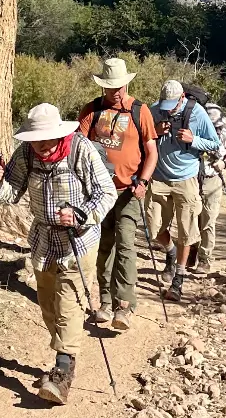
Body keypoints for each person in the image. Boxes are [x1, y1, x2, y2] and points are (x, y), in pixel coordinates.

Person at [0, 103, 117, 405]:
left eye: (45, 139)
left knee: (68, 303)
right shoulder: (26, 153)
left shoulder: (80, 150)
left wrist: (82, 214)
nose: (41, 146)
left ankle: (62, 373)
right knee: (48, 304)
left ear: (59, 134)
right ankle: (64, 354)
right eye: (35, 140)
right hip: (43, 239)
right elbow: (11, 195)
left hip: (79, 239)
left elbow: (106, 192)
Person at [78, 58, 159, 330]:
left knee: (125, 244)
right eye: (111, 87)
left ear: (126, 83)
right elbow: (78, 146)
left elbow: (151, 151)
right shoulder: (92, 111)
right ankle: (104, 300)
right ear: (103, 87)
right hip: (99, 194)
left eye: (120, 86)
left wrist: (144, 181)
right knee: (103, 246)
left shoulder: (139, 110)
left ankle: (124, 305)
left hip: (129, 191)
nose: (116, 91)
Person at [146, 80, 220, 302]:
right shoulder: (153, 110)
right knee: (153, 227)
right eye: (164, 104)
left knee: (186, 232)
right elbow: (142, 140)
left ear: (182, 98)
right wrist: (155, 132)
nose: (167, 109)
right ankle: (169, 252)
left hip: (186, 179)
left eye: (172, 104)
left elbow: (215, 144)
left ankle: (178, 279)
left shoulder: (197, 112)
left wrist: (193, 139)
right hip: (158, 178)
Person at [188, 103, 226, 273]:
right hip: (193, 179)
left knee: (208, 220)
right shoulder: (193, 131)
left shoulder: (224, 134)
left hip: (213, 180)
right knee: (191, 217)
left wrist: (223, 163)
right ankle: (192, 248)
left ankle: (205, 259)